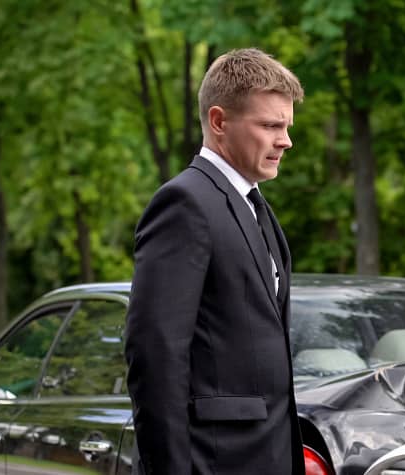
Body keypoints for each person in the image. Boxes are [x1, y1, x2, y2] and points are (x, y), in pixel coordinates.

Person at [124, 48, 305, 475]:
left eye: (287, 126)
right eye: (270, 125)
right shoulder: (184, 203)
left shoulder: (255, 205)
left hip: (267, 456)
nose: (286, 140)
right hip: (214, 461)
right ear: (220, 122)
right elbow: (155, 353)